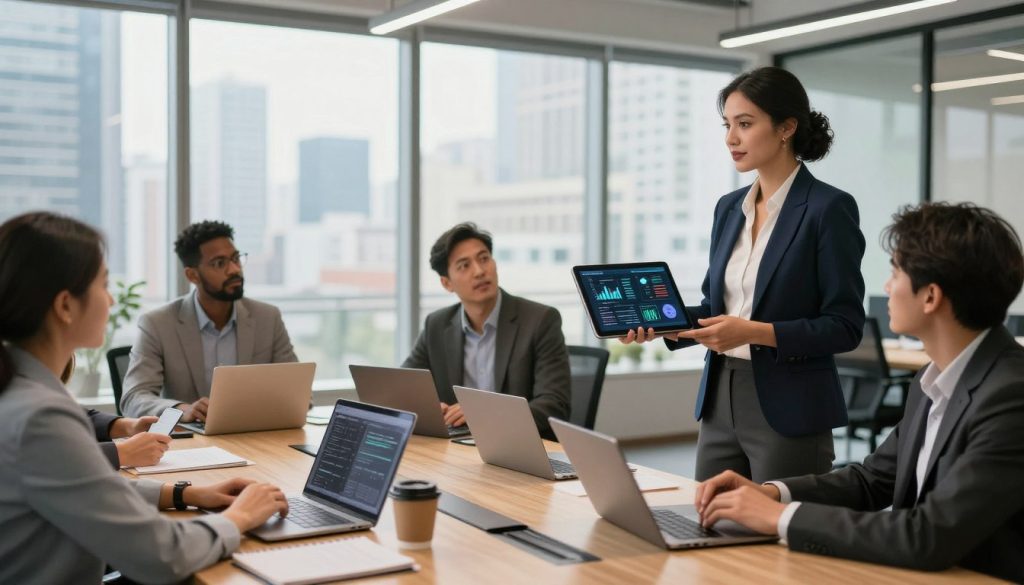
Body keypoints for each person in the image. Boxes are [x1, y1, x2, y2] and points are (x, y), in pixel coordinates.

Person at [694, 202, 1024, 582]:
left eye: (895, 272)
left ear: (930, 297)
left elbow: (928, 536)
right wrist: (771, 493)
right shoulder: (931, 380)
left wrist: (780, 518)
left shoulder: (1010, 396)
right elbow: (873, 480)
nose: (886, 287)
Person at [0, 211, 289, 584]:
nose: (110, 299)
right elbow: (162, 555)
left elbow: (90, 491)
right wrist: (240, 517)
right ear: (65, 306)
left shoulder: (20, 391)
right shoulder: (40, 417)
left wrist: (186, 493)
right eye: (104, 285)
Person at [624, 66, 865, 482]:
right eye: (728, 125)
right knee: (709, 527)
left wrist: (754, 332)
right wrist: (664, 324)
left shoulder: (828, 209)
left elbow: (844, 327)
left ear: (786, 127)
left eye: (745, 124)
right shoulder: (729, 207)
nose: (731, 138)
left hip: (790, 405)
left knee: (779, 538)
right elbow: (718, 310)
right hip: (720, 397)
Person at [403, 222, 571, 439]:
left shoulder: (540, 320)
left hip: (519, 447)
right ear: (447, 283)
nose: (480, 271)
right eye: (464, 265)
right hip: (458, 448)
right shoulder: (437, 325)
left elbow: (554, 405)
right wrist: (435, 409)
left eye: (484, 259)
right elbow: (405, 390)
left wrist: (483, 414)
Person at [121, 220, 298, 420]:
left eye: (235, 258)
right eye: (219, 263)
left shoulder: (268, 318)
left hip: (253, 437)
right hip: (191, 444)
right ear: (192, 275)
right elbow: (133, 399)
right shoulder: (157, 324)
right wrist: (182, 409)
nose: (234, 269)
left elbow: (298, 395)